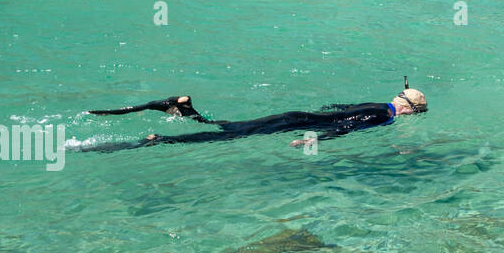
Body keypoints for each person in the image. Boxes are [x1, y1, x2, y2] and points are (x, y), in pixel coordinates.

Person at [82, 86, 427, 151]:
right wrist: (315, 140)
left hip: (292, 114)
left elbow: (337, 108)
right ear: (409, 109)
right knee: (230, 137)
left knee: (232, 127)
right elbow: (347, 125)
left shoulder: (378, 100)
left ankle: (181, 107)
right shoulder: (384, 117)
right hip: (293, 124)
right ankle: (162, 139)